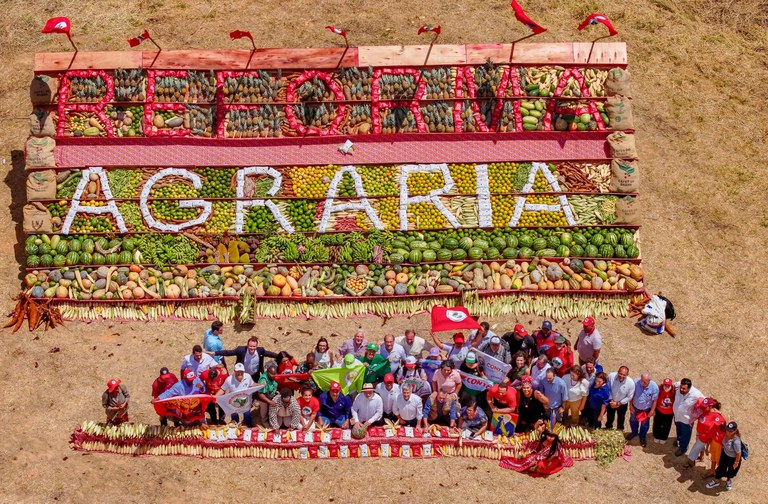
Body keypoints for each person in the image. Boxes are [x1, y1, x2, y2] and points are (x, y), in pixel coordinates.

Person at [500, 424, 573, 476]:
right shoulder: (543, 440)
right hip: (541, 457)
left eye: (552, 436)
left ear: (556, 437)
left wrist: (538, 460)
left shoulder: (556, 446)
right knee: (529, 459)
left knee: (538, 464)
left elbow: (551, 458)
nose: (550, 438)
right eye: (549, 435)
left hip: (551, 460)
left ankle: (535, 467)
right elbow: (537, 448)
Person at [210, 336, 279, 381]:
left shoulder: (260, 351)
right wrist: (215, 353)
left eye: (254, 346)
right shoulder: (241, 350)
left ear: (256, 346)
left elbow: (269, 354)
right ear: (247, 345)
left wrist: (280, 356)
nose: (252, 348)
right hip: (243, 375)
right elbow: (228, 352)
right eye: (250, 346)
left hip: (255, 375)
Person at [686, 398, 726, 468]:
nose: (703, 408)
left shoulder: (716, 416)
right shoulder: (702, 410)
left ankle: (691, 461)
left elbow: (724, 424)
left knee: (695, 449)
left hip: (705, 437)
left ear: (710, 407)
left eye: (705, 407)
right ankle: (701, 457)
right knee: (700, 447)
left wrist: (721, 414)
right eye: (703, 406)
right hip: (699, 433)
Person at [705, 422, 743, 491]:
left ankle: (728, 480)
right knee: (721, 468)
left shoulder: (736, 441)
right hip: (725, 455)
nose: (728, 432)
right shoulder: (725, 434)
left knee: (731, 471)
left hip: (733, 459)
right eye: (727, 430)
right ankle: (716, 481)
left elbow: (739, 453)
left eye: (730, 431)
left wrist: (736, 462)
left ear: (734, 431)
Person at [672, 378, 704, 456]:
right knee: (678, 429)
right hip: (677, 415)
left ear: (689, 388)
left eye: (684, 389)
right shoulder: (678, 386)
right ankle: (679, 440)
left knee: (685, 434)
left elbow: (706, 402)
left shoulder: (696, 394)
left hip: (687, 420)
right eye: (681, 387)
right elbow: (672, 384)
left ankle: (683, 448)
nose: (681, 390)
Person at [628, 373, 659, 447]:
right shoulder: (635, 382)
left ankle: (642, 437)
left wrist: (652, 410)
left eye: (645, 382)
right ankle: (634, 432)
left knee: (645, 424)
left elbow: (655, 400)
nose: (642, 383)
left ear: (649, 381)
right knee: (633, 420)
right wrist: (631, 406)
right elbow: (631, 395)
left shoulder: (654, 387)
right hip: (635, 407)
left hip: (646, 409)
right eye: (641, 381)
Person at [606, 366, 635, 431]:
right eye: (620, 373)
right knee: (610, 416)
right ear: (618, 372)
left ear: (627, 375)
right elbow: (607, 388)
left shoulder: (631, 383)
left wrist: (618, 403)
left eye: (624, 375)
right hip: (611, 401)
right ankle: (608, 428)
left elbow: (629, 396)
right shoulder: (611, 376)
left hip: (622, 403)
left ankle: (620, 429)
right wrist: (611, 400)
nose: (621, 376)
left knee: (621, 417)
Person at [653, 378, 676, 444]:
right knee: (657, 424)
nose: (666, 387)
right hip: (659, 411)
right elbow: (655, 400)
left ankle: (663, 437)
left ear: (671, 386)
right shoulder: (659, 390)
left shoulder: (673, 392)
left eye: (668, 386)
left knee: (666, 425)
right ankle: (656, 435)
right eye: (665, 385)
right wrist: (654, 410)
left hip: (669, 413)